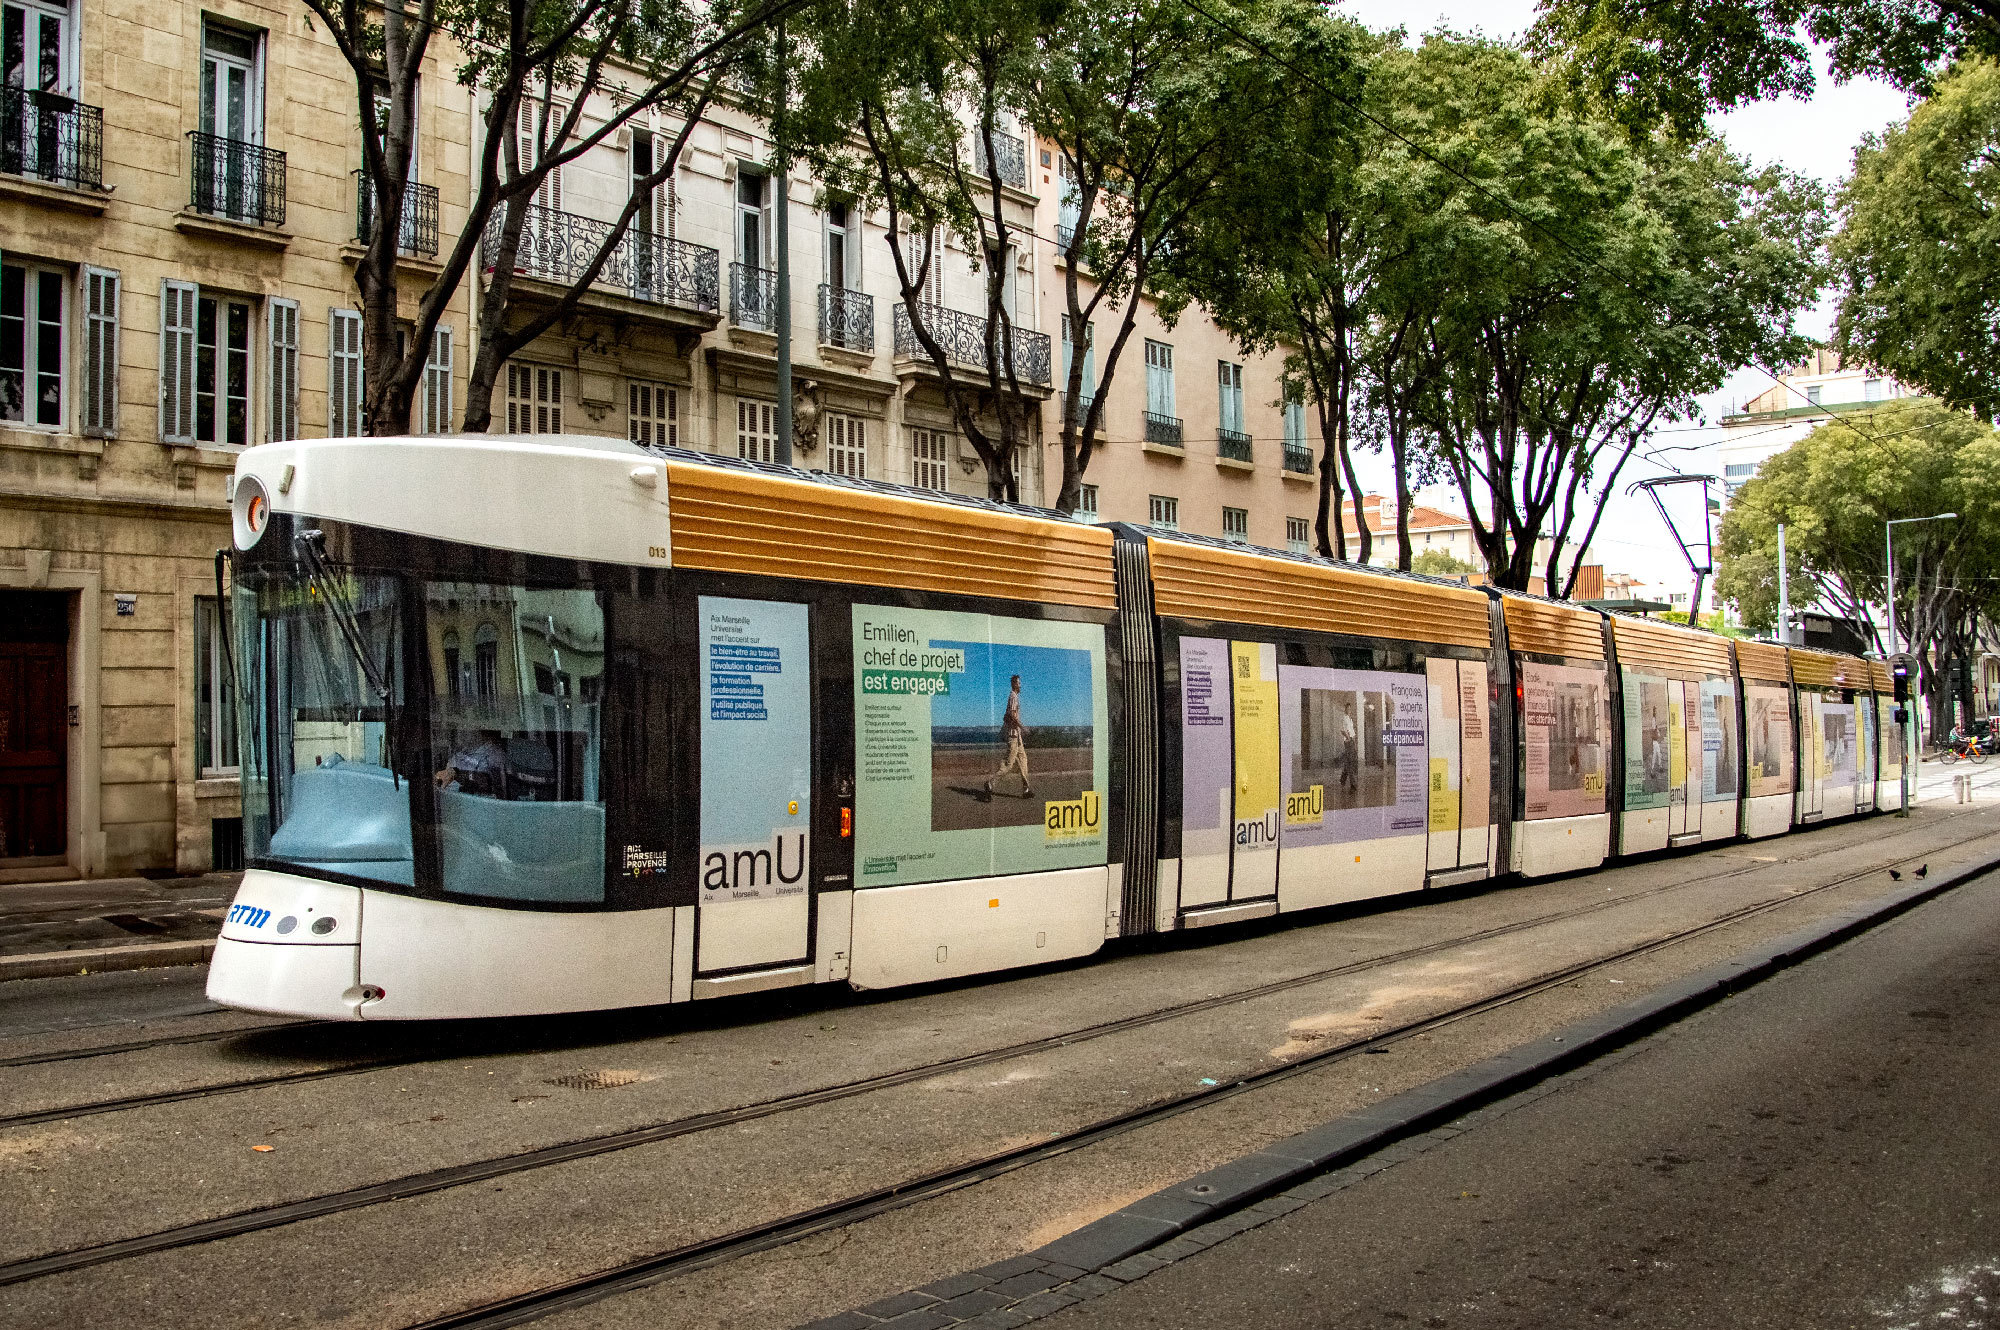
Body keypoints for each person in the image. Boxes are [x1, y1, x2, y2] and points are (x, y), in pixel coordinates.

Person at [985, 674, 1033, 799]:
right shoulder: (1013, 696)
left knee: (1023, 761)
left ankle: (1026, 789)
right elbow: (1012, 715)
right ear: (1014, 684)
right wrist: (1023, 728)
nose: (1020, 685)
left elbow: (1007, 715)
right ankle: (990, 783)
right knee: (1009, 764)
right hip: (1013, 736)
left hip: (1017, 737)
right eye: (1018, 683)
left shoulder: (1015, 696)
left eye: (1020, 683)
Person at [436, 730, 509, 796]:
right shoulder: (462, 750)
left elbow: (488, 782)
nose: (461, 733)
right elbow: (447, 783)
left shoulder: (496, 754)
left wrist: (457, 774)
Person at [1338, 703, 1358, 794]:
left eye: (1350, 708)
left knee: (1349, 762)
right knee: (1350, 764)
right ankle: (1353, 785)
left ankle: (1342, 780)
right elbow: (1342, 730)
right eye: (1347, 708)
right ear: (1345, 709)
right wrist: (1349, 738)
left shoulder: (1350, 719)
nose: (1349, 710)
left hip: (1352, 742)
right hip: (1348, 742)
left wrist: (1354, 742)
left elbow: (1352, 731)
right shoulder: (1344, 718)